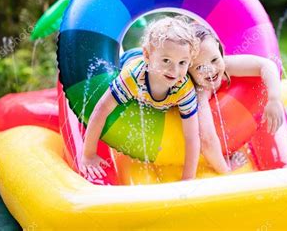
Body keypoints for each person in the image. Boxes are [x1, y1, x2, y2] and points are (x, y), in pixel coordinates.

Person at [80, 16, 201, 181]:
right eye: (167, 60)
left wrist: (188, 178)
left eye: (182, 62)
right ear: (148, 55)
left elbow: (192, 135)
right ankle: (128, 50)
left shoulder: (183, 88)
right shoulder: (132, 78)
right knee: (117, 62)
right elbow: (101, 110)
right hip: (130, 61)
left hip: (150, 62)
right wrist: (88, 154)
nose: (174, 70)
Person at [188, 23, 284, 174]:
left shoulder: (225, 64)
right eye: (199, 67)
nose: (211, 70)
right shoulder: (199, 93)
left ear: (220, 52)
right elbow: (206, 140)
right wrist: (226, 170)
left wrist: (274, 99)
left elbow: (267, 65)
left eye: (214, 60)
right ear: (188, 71)